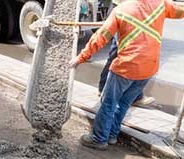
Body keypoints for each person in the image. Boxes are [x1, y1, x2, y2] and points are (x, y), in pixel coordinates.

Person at [69, 0, 184, 150]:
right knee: (123, 103)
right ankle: (112, 135)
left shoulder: (121, 11)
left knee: (108, 103)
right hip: (148, 68)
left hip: (125, 68)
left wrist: (81, 57)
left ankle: (98, 138)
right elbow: (180, 11)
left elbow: (101, 37)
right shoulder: (161, 4)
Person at [98, 0, 156, 107]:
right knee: (119, 52)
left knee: (120, 53)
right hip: (126, 9)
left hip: (132, 8)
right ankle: (133, 96)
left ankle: (105, 89)